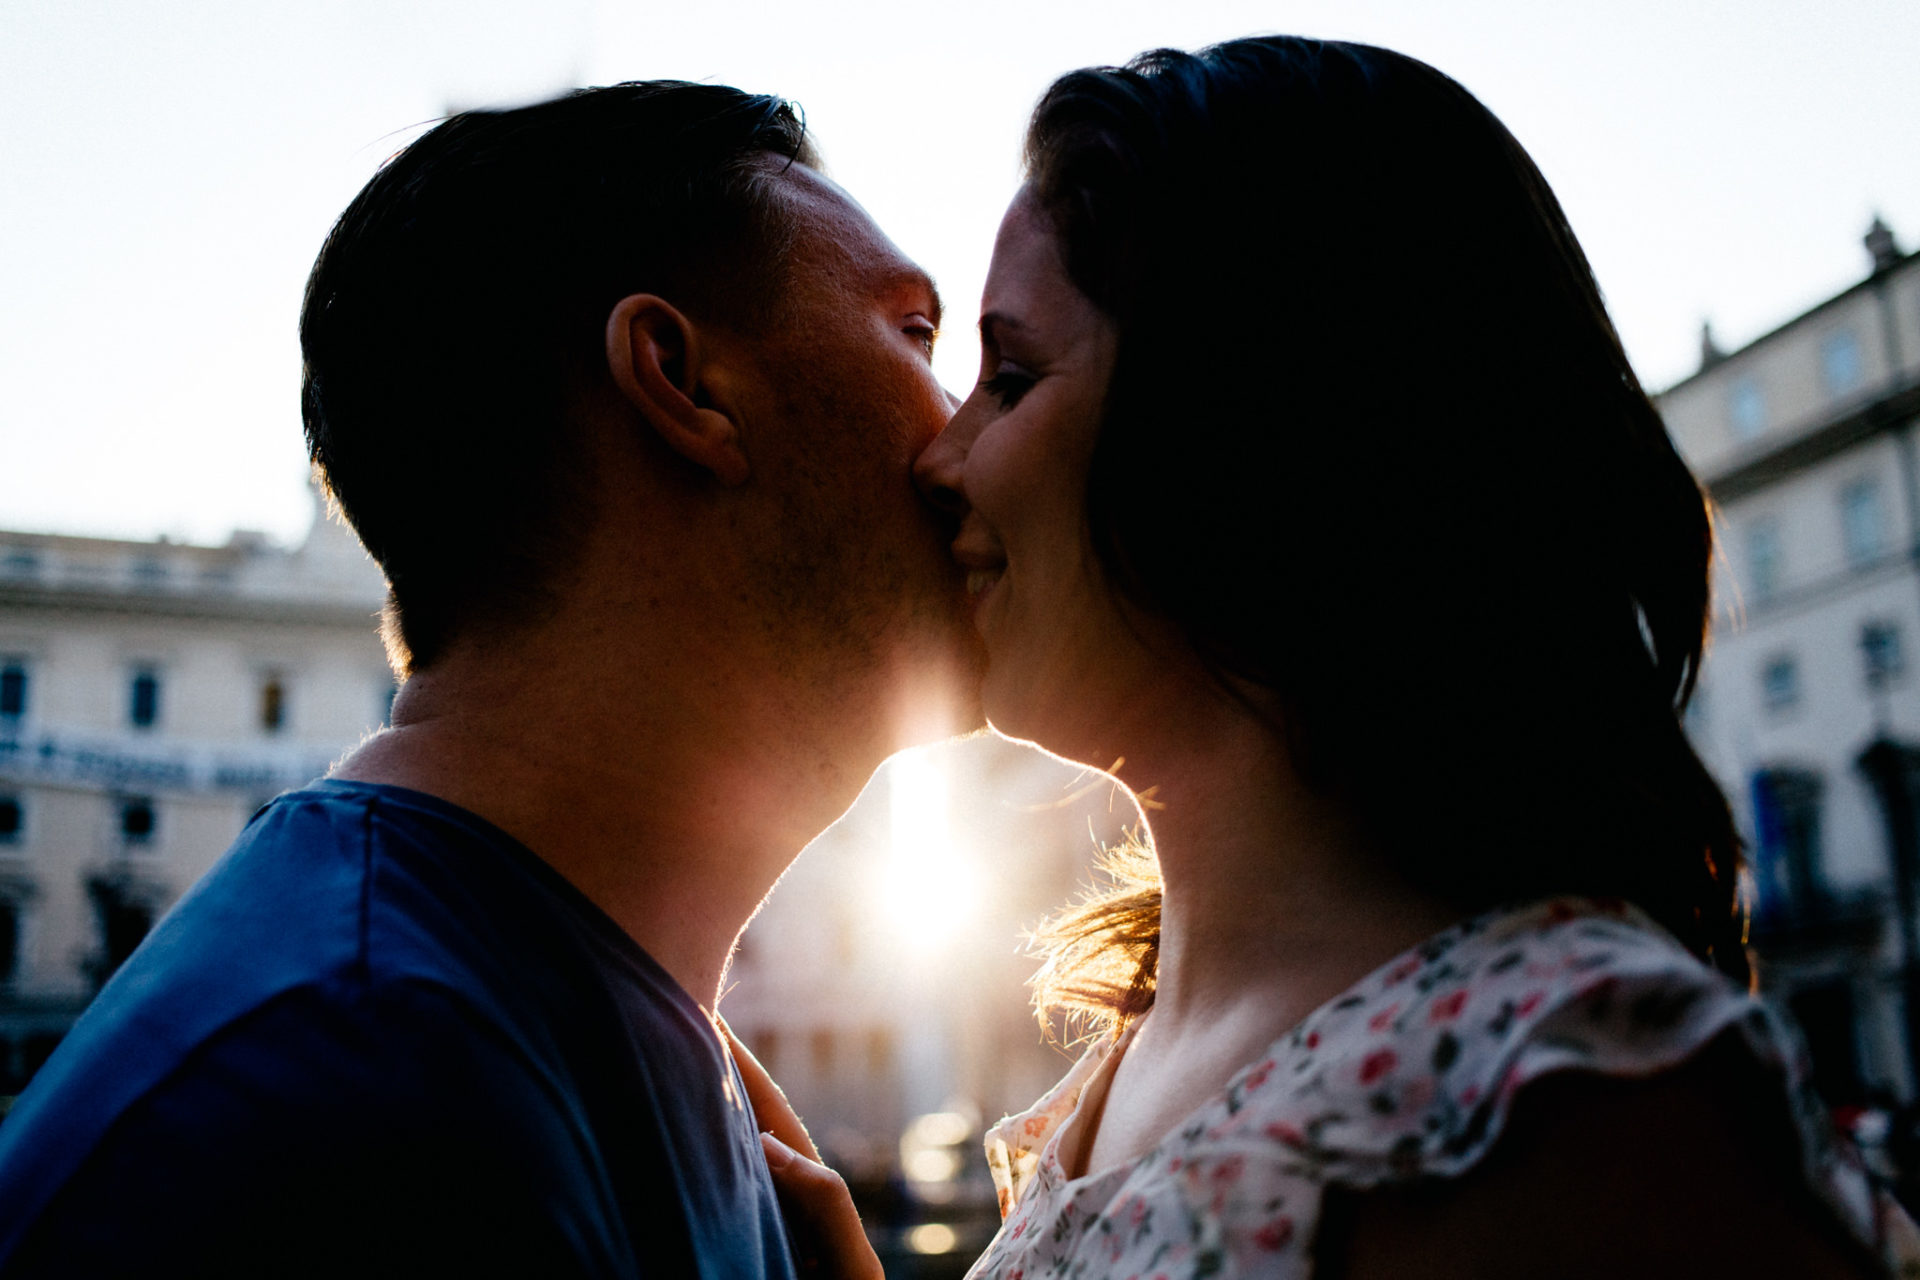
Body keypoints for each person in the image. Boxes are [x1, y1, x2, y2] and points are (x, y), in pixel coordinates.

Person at [764, 37, 1918, 1278]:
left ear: (1238, 430)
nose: (946, 460)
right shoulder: (1138, 1066)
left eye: (1014, 372)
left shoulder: (1563, 1086)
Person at [0, 81, 979, 1276]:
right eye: (918, 338)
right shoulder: (375, 1085)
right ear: (680, 379)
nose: (970, 426)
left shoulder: (474, 1022)